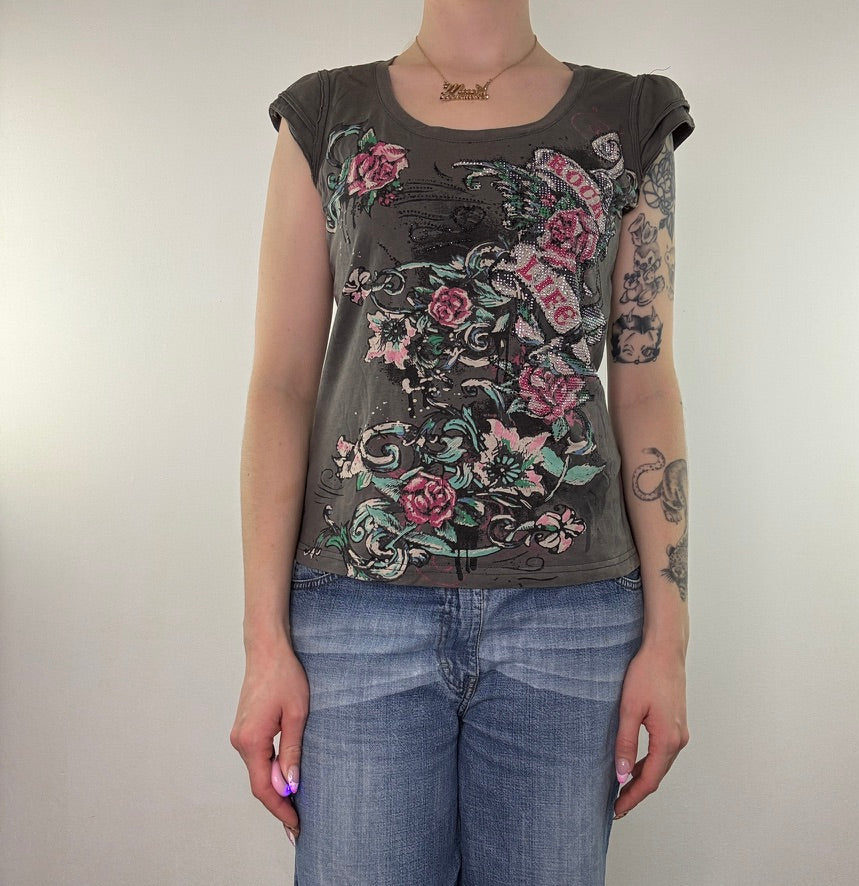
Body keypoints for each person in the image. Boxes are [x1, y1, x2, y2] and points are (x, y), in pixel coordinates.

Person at [230, 1, 694, 882]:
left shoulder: (631, 117)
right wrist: (264, 645)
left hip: (573, 621)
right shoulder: (325, 114)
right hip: (356, 611)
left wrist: (668, 644)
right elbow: (281, 385)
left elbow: (646, 385)